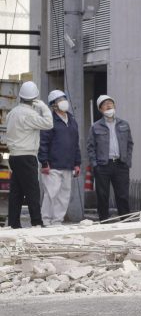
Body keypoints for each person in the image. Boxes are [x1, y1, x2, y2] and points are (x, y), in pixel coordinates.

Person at [5, 82, 54, 228]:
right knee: (32, 189)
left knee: (17, 191)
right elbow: (48, 123)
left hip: (14, 156)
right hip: (27, 156)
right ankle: (37, 222)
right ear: (35, 98)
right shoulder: (30, 114)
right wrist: (44, 107)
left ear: (20, 96)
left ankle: (14, 223)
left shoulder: (12, 113)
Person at [86, 95, 133, 221]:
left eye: (110, 103)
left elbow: (130, 144)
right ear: (100, 109)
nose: (108, 105)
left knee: (122, 195)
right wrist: (95, 165)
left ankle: (125, 220)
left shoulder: (124, 124)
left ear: (114, 106)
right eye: (105, 104)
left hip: (121, 164)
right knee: (102, 195)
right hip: (103, 165)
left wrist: (127, 161)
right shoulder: (95, 127)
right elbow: (90, 147)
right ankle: (104, 220)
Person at [38, 90, 81, 226]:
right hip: (53, 166)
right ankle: (46, 220)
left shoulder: (72, 120)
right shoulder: (49, 121)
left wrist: (77, 163)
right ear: (53, 105)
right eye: (59, 100)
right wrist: (44, 163)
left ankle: (57, 221)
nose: (63, 101)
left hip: (68, 165)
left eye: (63, 98)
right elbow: (43, 143)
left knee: (64, 195)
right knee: (51, 194)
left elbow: (76, 143)